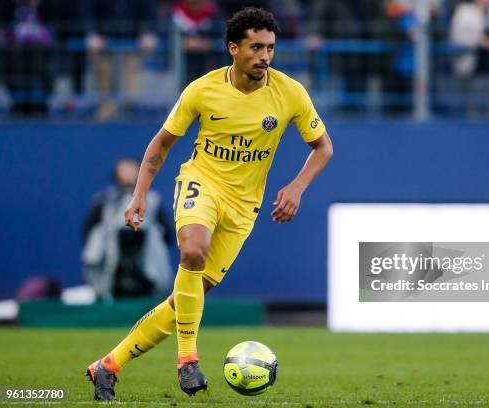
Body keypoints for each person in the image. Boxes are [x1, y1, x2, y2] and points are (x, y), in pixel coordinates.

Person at [85, 7, 333, 401]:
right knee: (193, 251)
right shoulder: (202, 90)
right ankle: (187, 360)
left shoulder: (289, 92)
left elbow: (322, 147)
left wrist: (297, 186)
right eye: (256, 47)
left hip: (243, 208)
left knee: (184, 300)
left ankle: (107, 367)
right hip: (202, 183)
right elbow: (161, 145)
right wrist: (139, 194)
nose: (265, 56)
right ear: (233, 48)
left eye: (270, 47)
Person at [82, 158, 173, 300]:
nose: (129, 174)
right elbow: (89, 233)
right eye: (125, 170)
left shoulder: (153, 200)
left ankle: (155, 288)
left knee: (155, 234)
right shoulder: (104, 199)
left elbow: (167, 235)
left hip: (146, 257)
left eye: (132, 170)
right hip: (110, 257)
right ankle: (104, 290)